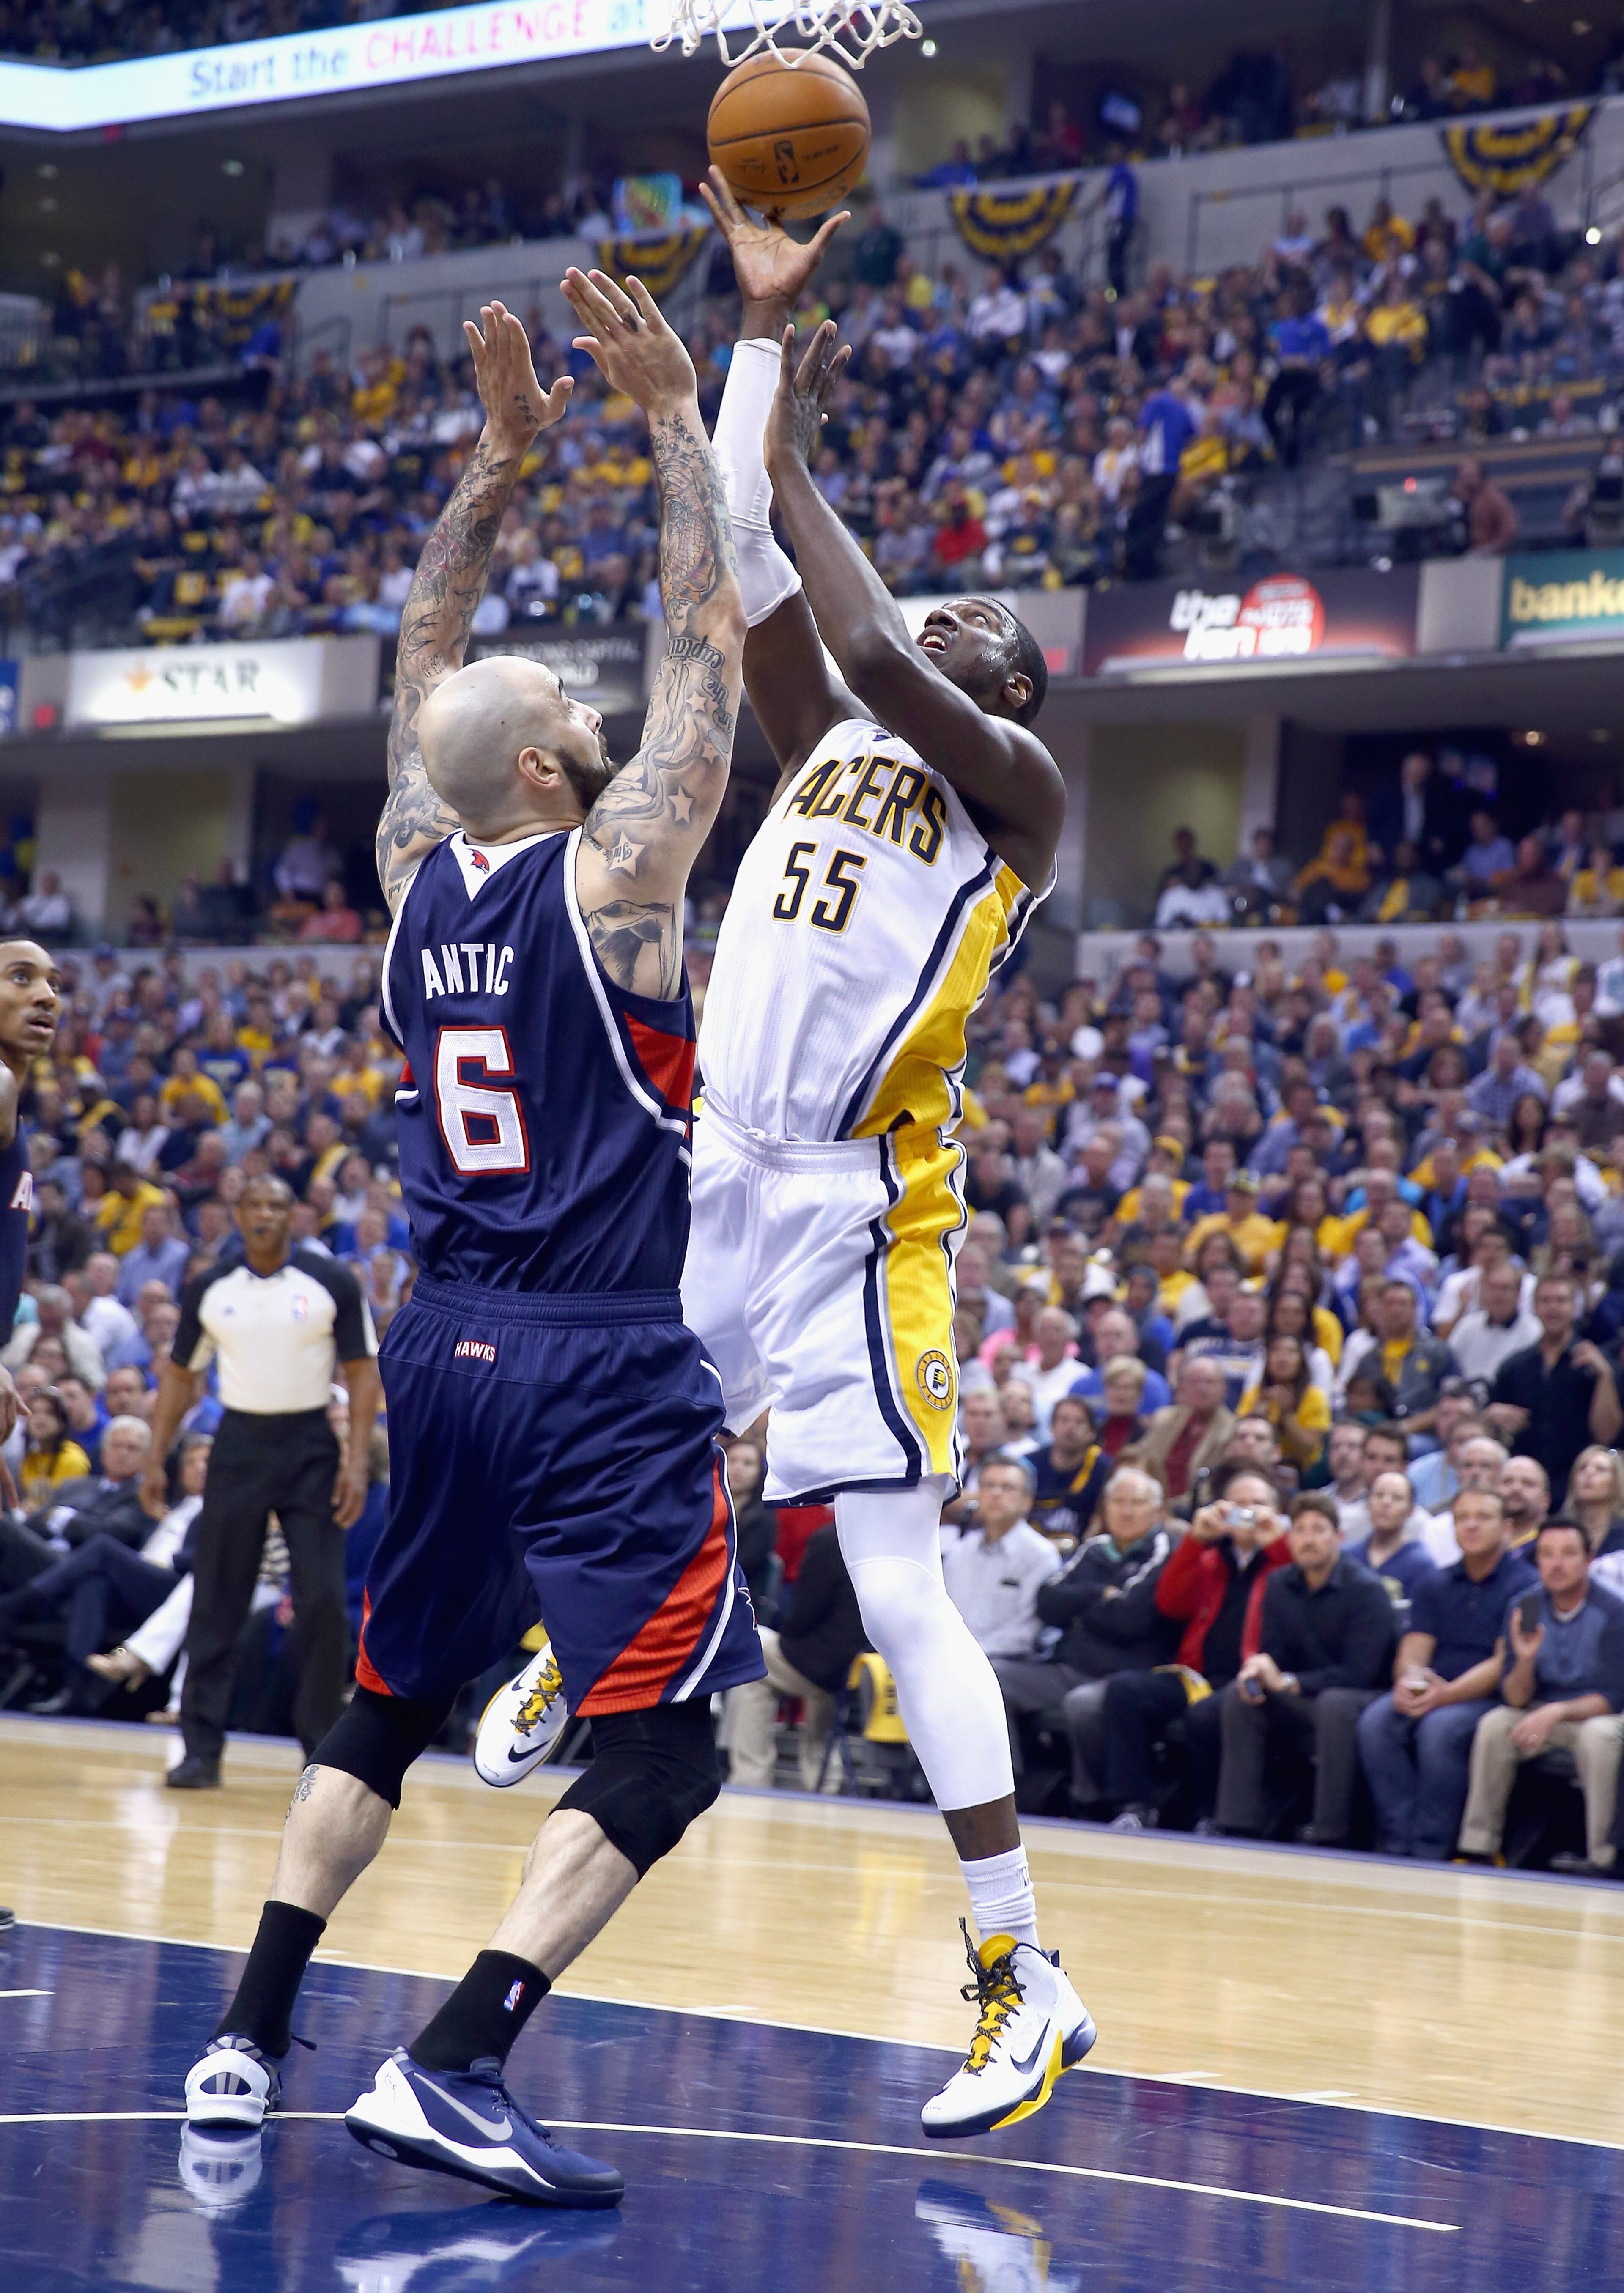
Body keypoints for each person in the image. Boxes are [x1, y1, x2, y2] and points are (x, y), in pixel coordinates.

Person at [184, 283, 760, 2213]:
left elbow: (423, 665)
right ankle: (457, 2056)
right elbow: (712, 661)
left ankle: (247, 2030)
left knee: (391, 1696)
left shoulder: (409, 880)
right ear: (538, 772)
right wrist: (678, 421)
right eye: (573, 720)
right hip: (597, 1348)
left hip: (443, 1343)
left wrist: (500, 473)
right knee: (668, 1756)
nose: (605, 724)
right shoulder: (615, 877)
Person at [680, 178, 1092, 2138]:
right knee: (628, 1421)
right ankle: (598, 1647)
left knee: (897, 1577)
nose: (930, 623)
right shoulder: (838, 740)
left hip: (860, 1201)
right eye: (936, 611)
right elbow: (759, 557)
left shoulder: (1013, 789)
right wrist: (752, 338)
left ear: (1000, 686)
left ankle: (1019, 1961)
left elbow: (848, 612)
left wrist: (810, 446)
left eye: (964, 630)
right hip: (724, 1163)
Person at [148, 1176, 380, 1790]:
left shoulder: (331, 1281)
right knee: (216, 1597)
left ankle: (325, 1752)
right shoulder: (211, 1285)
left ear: (292, 1214)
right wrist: (155, 1457)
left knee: (324, 1602)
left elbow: (361, 1372)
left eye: (278, 1205)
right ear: (238, 1213)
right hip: (240, 1443)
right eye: (255, 1205)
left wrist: (356, 1458)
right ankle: (200, 1749)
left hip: (310, 1447)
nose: (266, 1215)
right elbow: (179, 1377)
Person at [1101, 1460, 1293, 1832]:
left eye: (1258, 1503)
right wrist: (1195, 1540)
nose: (1248, 1512)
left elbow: (1299, 1598)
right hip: (1197, 1676)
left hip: (1256, 1679)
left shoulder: (1286, 1559)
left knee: (1205, 1715)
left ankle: (1209, 1817)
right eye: (1238, 1503)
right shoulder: (1208, 1555)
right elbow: (1170, 1603)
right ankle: (1134, 1807)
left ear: (1277, 1513)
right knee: (1125, 1691)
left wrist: (1280, 1544)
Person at [1357, 1487, 1538, 1859]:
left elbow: (1508, 1660)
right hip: (1437, 1690)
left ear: (1506, 1528)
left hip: (1491, 1698)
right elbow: (1414, 1650)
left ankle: (1431, 1846)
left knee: (1439, 1731)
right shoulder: (1434, 1583)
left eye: (1483, 1518)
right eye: (1462, 1518)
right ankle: (1397, 1837)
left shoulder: (1531, 1588)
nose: (1471, 1526)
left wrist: (1448, 1694)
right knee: (1376, 1723)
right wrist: (1410, 1683)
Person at [1213, 1491, 1396, 1844]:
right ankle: (1238, 1823)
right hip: (1301, 1695)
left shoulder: (1367, 1592)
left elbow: (1361, 1673)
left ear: (1339, 1538)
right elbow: (1275, 1655)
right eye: (1299, 1530)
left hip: (1362, 1698)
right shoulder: (1280, 1585)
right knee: (1242, 1698)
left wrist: (1290, 1682)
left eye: (1318, 1530)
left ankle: (1330, 1830)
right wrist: (1260, 1672)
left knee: (1335, 1704)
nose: (1307, 1540)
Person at [1457, 1520, 1624, 1874]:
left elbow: (1612, 1697)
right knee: (1495, 1724)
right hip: (1542, 1712)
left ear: (1589, 1560)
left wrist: (1556, 1711)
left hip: (1600, 1716)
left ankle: (1603, 1858)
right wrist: (1526, 1660)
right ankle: (1479, 1847)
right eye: (1547, 1555)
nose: (1557, 1564)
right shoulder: (1527, 1605)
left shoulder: (1614, 1610)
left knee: (1599, 1737)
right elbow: (1516, 1699)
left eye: (1568, 1554)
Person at [724, 1517, 865, 1794]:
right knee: (781, 1674)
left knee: (752, 1653)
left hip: (821, 1664)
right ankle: (825, 1782)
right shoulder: (876, 1543)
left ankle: (750, 1777)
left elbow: (804, 1614)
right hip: (857, 1665)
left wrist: (786, 1628)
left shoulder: (829, 1540)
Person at [1489, 1272, 1623, 1510]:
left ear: (1574, 1307)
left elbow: (1607, 1434)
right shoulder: (1514, 1367)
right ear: (1534, 1307)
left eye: (1561, 1301)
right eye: (1546, 1301)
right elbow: (1492, 1428)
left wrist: (1604, 1377)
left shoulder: (1598, 1366)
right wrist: (1494, 1416)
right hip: (1526, 1485)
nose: (1553, 1308)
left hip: (1580, 1483)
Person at [944, 1455, 1064, 1664]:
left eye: (1007, 1488)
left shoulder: (1041, 1556)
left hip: (1007, 1662)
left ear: (1027, 1501)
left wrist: (969, 1657)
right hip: (952, 1657)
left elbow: (1026, 1633)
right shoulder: (960, 1550)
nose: (996, 1494)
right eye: (988, 1486)